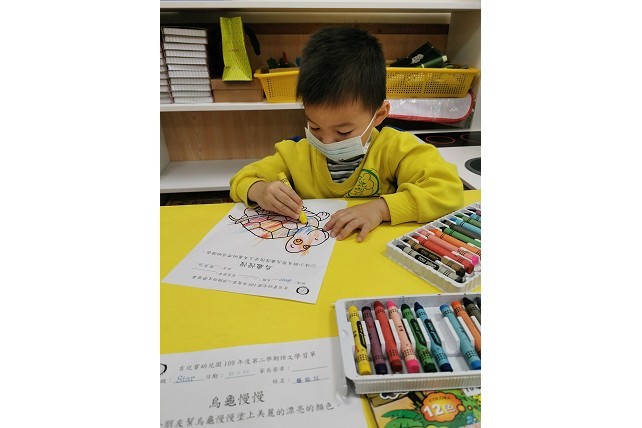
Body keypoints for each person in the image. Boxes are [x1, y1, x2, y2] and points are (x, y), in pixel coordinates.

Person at [230, 26, 464, 242]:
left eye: (343, 132)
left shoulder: (395, 148)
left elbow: (449, 191)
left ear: (379, 114)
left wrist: (380, 209)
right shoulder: (295, 154)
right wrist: (259, 190)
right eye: (315, 127)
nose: (327, 142)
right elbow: (242, 178)